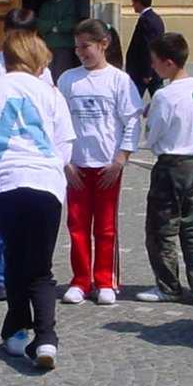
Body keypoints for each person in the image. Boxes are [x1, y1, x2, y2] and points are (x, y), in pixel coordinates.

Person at [0, 30, 75, 370]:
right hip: (44, 181)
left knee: (14, 256)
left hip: (4, 182)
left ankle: (16, 330)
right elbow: (64, 145)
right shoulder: (50, 93)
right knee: (40, 268)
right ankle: (46, 338)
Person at [0, 7, 54, 302]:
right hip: (2, 151)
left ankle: (33, 274)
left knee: (35, 223)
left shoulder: (42, 67)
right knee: (0, 221)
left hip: (33, 151)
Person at [58, 19, 143, 306]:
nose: (81, 52)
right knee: (77, 224)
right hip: (77, 166)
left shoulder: (119, 80)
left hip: (107, 166)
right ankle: (81, 279)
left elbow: (131, 121)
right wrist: (66, 162)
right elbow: (57, 123)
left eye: (86, 47)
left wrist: (121, 159)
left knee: (105, 227)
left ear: (103, 44)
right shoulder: (68, 80)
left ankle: (105, 279)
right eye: (77, 47)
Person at [136, 33, 193, 305]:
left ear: (168, 63)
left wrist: (147, 125)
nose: (152, 67)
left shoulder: (164, 94)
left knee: (162, 230)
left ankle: (169, 286)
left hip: (171, 165)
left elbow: (155, 134)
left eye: (155, 62)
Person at [125, 0, 166, 100]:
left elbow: (147, 47)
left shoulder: (146, 20)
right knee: (159, 100)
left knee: (134, 102)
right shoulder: (155, 18)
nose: (132, 4)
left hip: (143, 73)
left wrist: (147, 73)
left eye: (133, 2)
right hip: (152, 71)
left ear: (138, 2)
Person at [37, 0, 78, 82]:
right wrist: (57, 25)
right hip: (47, 47)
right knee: (46, 77)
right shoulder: (45, 6)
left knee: (62, 77)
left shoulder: (70, 3)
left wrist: (51, 27)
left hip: (64, 46)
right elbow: (40, 25)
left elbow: (69, 24)